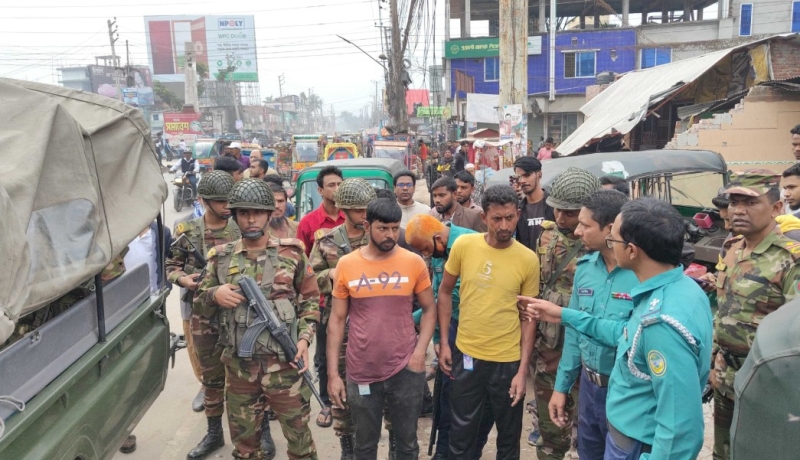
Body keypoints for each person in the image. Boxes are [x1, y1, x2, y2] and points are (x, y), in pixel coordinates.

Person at [523, 197, 713, 460]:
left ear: (632, 250)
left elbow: (680, 429)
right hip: (615, 417)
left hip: (636, 440)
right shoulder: (678, 290)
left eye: (614, 238)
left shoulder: (661, 321)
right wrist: (566, 316)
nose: (611, 244)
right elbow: (626, 335)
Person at [194, 179, 320, 460]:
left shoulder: (293, 252)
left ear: (269, 214)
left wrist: (303, 339)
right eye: (243, 213)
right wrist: (215, 294)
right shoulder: (220, 257)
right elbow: (199, 307)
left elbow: (311, 301)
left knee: (300, 445)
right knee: (246, 449)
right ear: (235, 216)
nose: (251, 220)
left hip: (286, 367)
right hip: (240, 370)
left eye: (257, 213)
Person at [698, 172, 800, 460]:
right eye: (734, 202)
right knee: (723, 451)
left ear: (777, 208)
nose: (738, 210)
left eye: (750, 203)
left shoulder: (791, 258)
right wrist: (713, 362)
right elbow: (725, 312)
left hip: (766, 383)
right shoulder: (734, 249)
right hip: (725, 375)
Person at [327, 198, 437, 460]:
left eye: (395, 228)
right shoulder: (347, 264)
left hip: (406, 369)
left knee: (407, 443)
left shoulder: (413, 262)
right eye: (383, 228)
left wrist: (420, 353)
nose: (390, 235)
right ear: (367, 226)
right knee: (364, 444)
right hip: (362, 368)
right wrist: (333, 374)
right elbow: (336, 320)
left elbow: (430, 309)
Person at [438, 185, 539, 459]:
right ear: (484, 218)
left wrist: (522, 370)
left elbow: (528, 318)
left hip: (507, 363)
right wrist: (445, 343)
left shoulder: (528, 259)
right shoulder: (464, 246)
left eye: (509, 217)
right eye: (497, 219)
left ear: (518, 215)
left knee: (508, 440)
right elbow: (445, 291)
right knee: (461, 436)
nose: (504, 225)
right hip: (467, 357)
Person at [547, 190, 638, 460]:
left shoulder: (641, 273)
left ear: (611, 228)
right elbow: (575, 334)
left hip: (627, 391)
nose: (577, 231)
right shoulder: (585, 268)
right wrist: (561, 388)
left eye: (585, 225)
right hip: (589, 388)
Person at [166, 172, 247, 459]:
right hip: (203, 315)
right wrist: (183, 279)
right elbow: (171, 266)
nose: (226, 206)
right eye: (219, 201)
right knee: (211, 378)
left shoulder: (241, 229)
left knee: (248, 377)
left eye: (229, 201)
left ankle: (255, 433)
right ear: (203, 200)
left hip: (239, 314)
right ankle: (215, 433)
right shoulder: (187, 230)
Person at [404, 215, 493, 460]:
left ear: (437, 238)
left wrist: (412, 319)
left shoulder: (473, 243)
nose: (426, 255)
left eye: (425, 249)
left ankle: (470, 450)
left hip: (478, 332)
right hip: (450, 328)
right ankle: (444, 450)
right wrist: (435, 336)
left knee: (473, 396)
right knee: (447, 395)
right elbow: (436, 294)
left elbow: (464, 294)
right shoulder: (438, 254)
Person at [531, 168, 601, 459]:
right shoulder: (547, 238)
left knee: (591, 434)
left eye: (570, 214)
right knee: (550, 434)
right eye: (557, 210)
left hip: (589, 356)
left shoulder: (605, 248)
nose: (561, 219)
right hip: (549, 352)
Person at [308, 179, 376, 457]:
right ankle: (347, 445)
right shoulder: (327, 240)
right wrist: (331, 275)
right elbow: (310, 280)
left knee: (378, 384)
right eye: (359, 211)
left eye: (367, 210)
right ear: (344, 210)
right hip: (340, 324)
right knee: (340, 385)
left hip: (375, 323)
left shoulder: (380, 235)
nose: (365, 216)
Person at [296, 166, 345, 256]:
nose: (337, 189)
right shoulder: (307, 223)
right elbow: (302, 258)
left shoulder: (351, 217)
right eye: (331, 185)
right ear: (320, 190)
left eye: (339, 184)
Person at [513, 156, 555, 251]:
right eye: (519, 177)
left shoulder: (553, 205)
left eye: (527, 175)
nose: (522, 181)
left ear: (539, 175)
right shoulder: (517, 209)